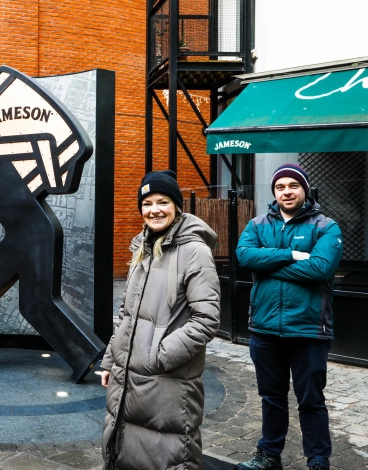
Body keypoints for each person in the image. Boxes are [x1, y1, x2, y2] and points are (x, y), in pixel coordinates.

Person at [100, 170, 220, 470]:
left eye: (163, 201)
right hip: (129, 374)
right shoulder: (142, 248)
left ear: (177, 206)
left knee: (169, 452)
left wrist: (160, 357)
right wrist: (110, 360)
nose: (154, 210)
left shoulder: (195, 251)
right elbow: (127, 314)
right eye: (147, 202)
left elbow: (206, 318)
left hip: (168, 380)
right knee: (126, 447)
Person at [235, 163, 343, 470]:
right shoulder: (257, 225)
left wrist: (267, 263)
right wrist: (292, 255)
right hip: (265, 330)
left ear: (304, 189)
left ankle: (318, 460)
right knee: (271, 398)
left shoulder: (326, 227)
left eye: (293, 185)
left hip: (309, 330)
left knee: (311, 400)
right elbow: (244, 256)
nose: (287, 191)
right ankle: (269, 455)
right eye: (280, 187)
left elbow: (320, 268)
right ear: (274, 191)